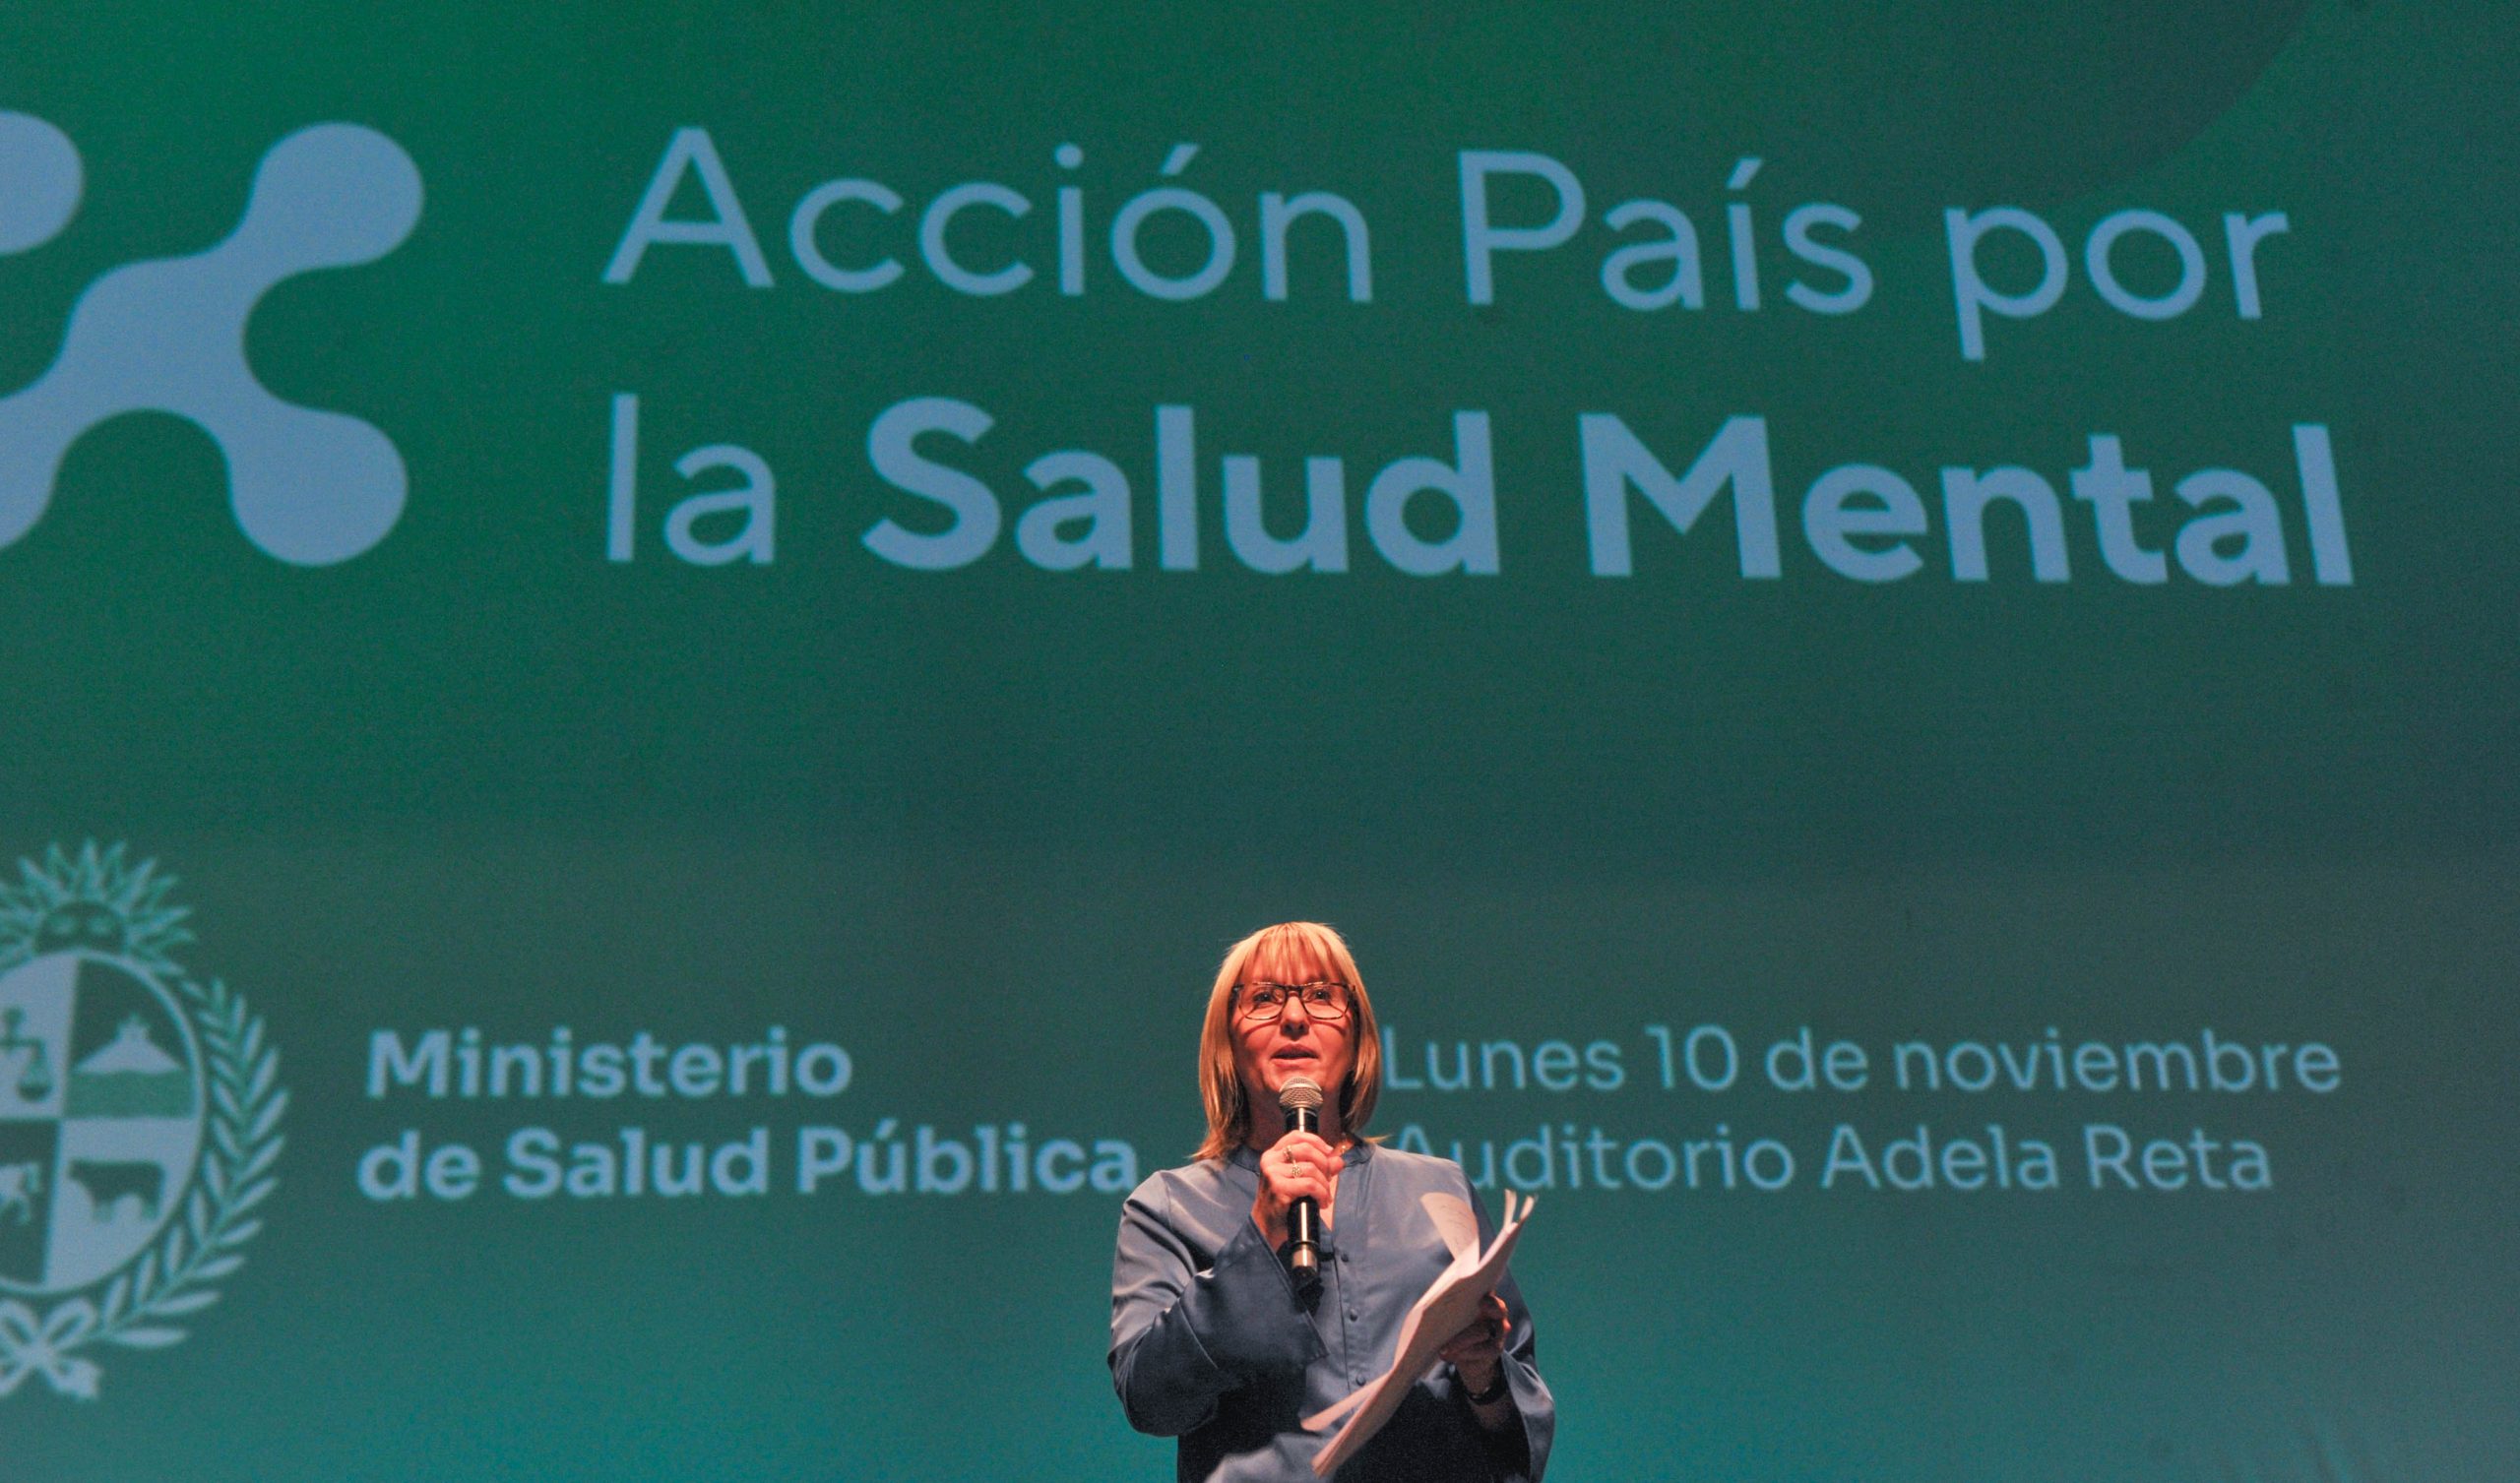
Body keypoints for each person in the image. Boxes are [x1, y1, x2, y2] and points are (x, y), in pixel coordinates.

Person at [1109, 922, 1554, 1482]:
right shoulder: (1168, 1206)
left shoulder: (1441, 1189)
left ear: (1358, 1039)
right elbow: (1152, 1401)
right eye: (1266, 999)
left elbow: (1516, 1429)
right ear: (1226, 1041)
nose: (1295, 1017)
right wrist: (1258, 1240)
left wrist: (1481, 1371)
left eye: (1322, 996)